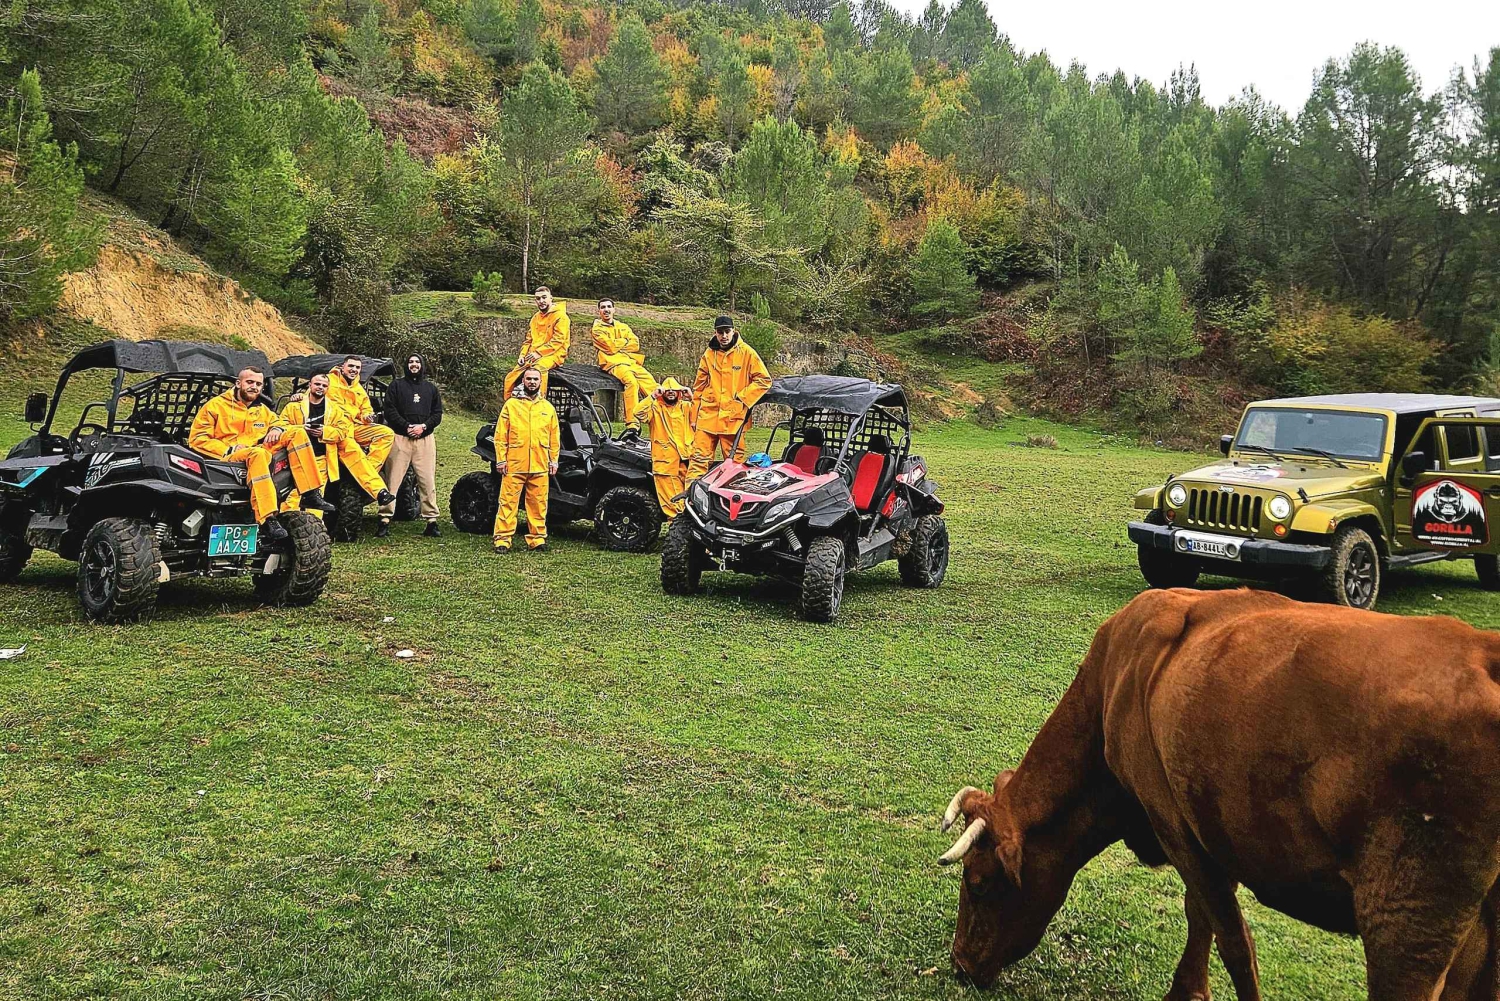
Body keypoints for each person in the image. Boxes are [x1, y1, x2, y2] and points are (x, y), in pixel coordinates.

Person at [188, 366, 334, 543]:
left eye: (258, 384)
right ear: (238, 383)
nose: (254, 387)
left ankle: (310, 492)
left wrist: (277, 428)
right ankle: (267, 518)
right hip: (228, 457)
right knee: (259, 454)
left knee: (297, 432)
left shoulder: (261, 409)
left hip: (258, 452)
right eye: (250, 382)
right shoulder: (215, 406)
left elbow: (280, 421)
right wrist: (228, 449)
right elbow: (197, 439)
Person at [278, 372, 394, 516]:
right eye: (317, 384)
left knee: (316, 495)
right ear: (310, 385)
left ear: (328, 388)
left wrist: (324, 432)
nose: (320, 387)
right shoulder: (293, 407)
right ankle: (287, 525)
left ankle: (314, 530)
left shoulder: (336, 408)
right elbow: (281, 427)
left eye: (324, 385)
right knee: (293, 495)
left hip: (323, 455)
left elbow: (343, 430)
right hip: (297, 456)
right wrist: (302, 429)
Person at [686, 314, 772, 482]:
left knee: (734, 465)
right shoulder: (709, 354)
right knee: (698, 460)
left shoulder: (747, 353)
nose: (724, 336)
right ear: (715, 333)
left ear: (733, 331)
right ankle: (688, 501)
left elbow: (764, 380)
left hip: (734, 419)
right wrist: (694, 417)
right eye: (720, 332)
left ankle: (730, 502)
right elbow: (699, 387)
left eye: (727, 331)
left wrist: (742, 398)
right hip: (707, 416)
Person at [492, 366, 560, 553]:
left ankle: (537, 539)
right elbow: (500, 436)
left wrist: (553, 460)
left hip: (540, 465)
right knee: (507, 503)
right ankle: (503, 539)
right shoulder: (511, 405)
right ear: (523, 381)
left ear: (540, 382)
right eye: (528, 379)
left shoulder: (548, 408)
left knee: (538, 504)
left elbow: (554, 438)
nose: (532, 382)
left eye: (535, 379)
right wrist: (501, 459)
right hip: (514, 464)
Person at [379, 353, 444, 538]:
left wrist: (423, 427)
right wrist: (406, 426)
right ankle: (384, 519)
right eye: (411, 362)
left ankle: (431, 521)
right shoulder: (396, 386)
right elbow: (389, 410)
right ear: (406, 365)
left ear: (422, 365)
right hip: (400, 439)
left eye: (417, 362)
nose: (414, 365)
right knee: (392, 480)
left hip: (424, 440)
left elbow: (437, 413)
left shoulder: (430, 388)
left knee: (427, 480)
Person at [625, 377, 695, 519]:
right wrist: (652, 396)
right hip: (665, 463)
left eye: (673, 390)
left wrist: (692, 397)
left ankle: (688, 527)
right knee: (672, 501)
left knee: (692, 497)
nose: (670, 393)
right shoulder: (655, 408)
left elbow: (704, 414)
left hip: (687, 461)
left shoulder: (687, 407)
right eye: (667, 390)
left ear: (679, 392)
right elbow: (638, 413)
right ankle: (678, 529)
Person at [591, 298, 657, 419]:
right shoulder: (597, 329)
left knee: (651, 384)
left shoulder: (622, 326)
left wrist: (617, 344)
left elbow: (635, 344)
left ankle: (660, 414)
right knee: (631, 382)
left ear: (614, 309)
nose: (606, 310)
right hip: (613, 364)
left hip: (630, 362)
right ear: (599, 311)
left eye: (609, 307)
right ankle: (633, 422)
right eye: (603, 307)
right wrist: (625, 341)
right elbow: (610, 348)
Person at [327, 355, 396, 468]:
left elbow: (365, 410)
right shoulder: (328, 381)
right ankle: (364, 475)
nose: (354, 369)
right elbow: (311, 396)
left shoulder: (359, 389)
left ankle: (370, 469)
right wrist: (299, 396)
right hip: (335, 427)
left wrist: (367, 416)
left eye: (357, 367)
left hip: (354, 426)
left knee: (386, 433)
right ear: (342, 367)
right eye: (351, 366)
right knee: (351, 448)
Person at [502, 286, 569, 398]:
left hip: (553, 354)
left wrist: (539, 353)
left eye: (544, 297)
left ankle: (538, 400)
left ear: (551, 298)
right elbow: (528, 340)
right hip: (532, 355)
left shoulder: (561, 317)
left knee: (537, 371)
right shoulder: (535, 318)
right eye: (538, 299)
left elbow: (558, 340)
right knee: (510, 377)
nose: (541, 301)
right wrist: (522, 355)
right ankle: (510, 405)